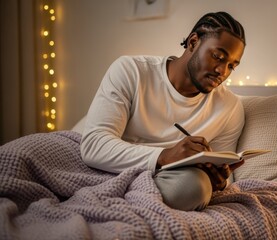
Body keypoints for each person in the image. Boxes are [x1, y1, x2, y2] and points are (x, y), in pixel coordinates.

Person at [80, 12, 246, 211]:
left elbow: (226, 178)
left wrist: (220, 181)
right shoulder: (131, 71)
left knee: (195, 187)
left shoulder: (230, 107)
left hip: (175, 181)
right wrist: (165, 155)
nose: (223, 71)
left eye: (231, 66)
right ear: (193, 42)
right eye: (217, 57)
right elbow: (93, 145)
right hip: (111, 169)